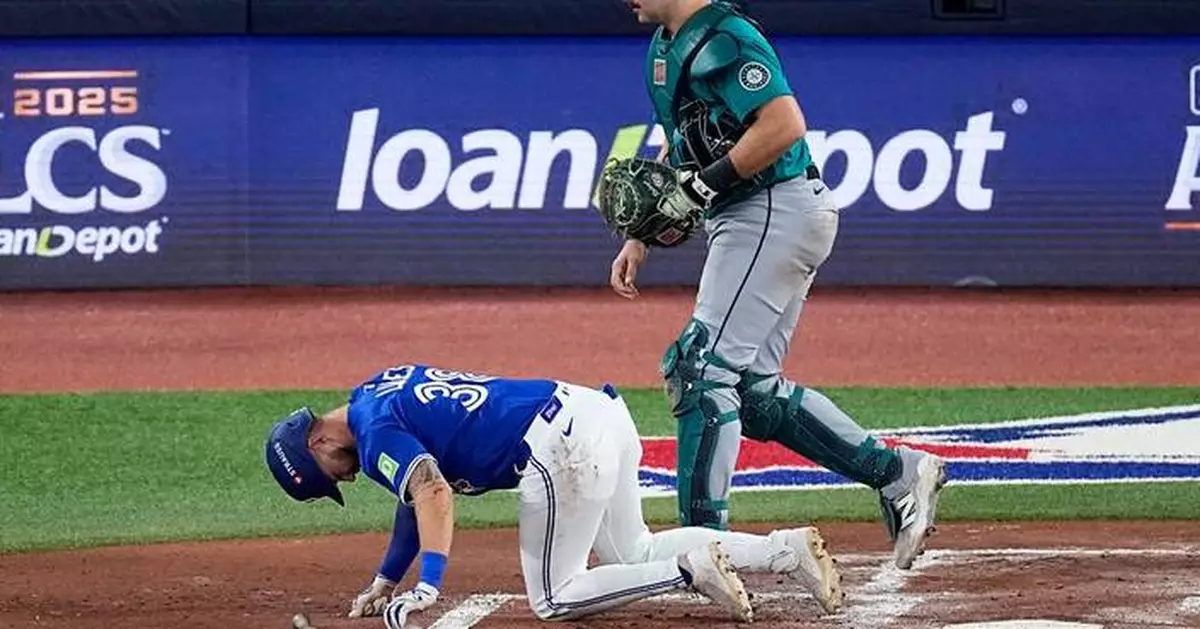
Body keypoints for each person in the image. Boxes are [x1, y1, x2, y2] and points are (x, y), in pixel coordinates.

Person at [607, 0, 948, 569]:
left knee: (700, 370)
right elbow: (682, 139)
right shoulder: (665, 46)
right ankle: (899, 475)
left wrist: (701, 188)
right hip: (758, 215)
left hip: (770, 208)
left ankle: (701, 551)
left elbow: (783, 124)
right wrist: (641, 233)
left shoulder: (726, 37)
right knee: (752, 396)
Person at [265, 363, 845, 628]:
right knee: (634, 551)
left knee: (555, 598)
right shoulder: (373, 394)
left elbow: (432, 490)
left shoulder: (371, 438)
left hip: (559, 450)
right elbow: (411, 495)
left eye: (325, 475)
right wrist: (386, 579)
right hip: (596, 412)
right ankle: (784, 551)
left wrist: (429, 585)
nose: (339, 482)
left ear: (317, 439)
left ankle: (690, 571)